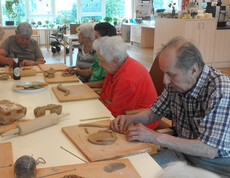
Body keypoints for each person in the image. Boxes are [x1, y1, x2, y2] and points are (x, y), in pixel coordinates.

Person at [109, 37, 230, 177]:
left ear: (193, 70)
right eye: (164, 73)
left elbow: (209, 149)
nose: (164, 81)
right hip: (183, 154)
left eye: (171, 74)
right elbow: (153, 113)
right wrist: (130, 118)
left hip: (215, 166)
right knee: (133, 172)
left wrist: (155, 137)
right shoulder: (175, 84)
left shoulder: (221, 89)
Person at [93, 36, 160, 129]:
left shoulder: (127, 79)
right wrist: (109, 102)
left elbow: (116, 114)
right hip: (123, 114)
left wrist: (108, 102)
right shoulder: (114, 68)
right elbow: (104, 94)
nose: (99, 64)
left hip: (139, 122)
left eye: (101, 61)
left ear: (114, 61)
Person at [64, 22, 116, 88]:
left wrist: (84, 85)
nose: (93, 40)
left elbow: (105, 83)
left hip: (96, 88)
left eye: (96, 38)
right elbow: (91, 71)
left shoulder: (112, 56)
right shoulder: (100, 52)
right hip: (90, 84)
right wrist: (75, 71)